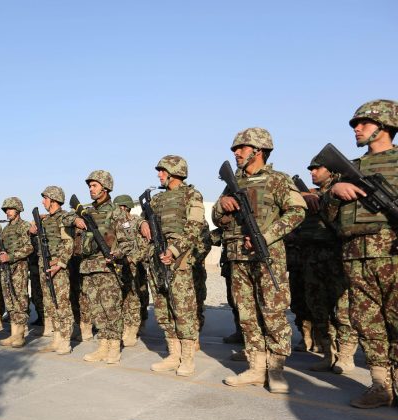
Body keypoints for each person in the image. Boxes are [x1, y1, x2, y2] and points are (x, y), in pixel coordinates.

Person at [213, 128, 306, 393]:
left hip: (268, 258)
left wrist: (267, 236)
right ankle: (255, 367)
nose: (236, 152)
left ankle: (275, 368)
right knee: (247, 313)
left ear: (259, 150)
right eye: (235, 148)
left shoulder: (278, 179)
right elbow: (217, 219)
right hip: (238, 257)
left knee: (273, 312)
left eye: (241, 148)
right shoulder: (232, 183)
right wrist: (223, 205)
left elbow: (298, 211)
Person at [323, 99, 398, 408]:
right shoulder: (349, 170)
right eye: (355, 124)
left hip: (392, 253)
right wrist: (333, 192)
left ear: (385, 127)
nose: (357, 128)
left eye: (364, 123)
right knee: (366, 321)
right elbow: (329, 217)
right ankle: (381, 384)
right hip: (355, 254)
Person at [141, 156, 206, 376]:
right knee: (162, 306)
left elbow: (195, 226)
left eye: (162, 171)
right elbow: (142, 218)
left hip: (179, 260)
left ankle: (187, 358)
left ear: (174, 172)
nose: (159, 175)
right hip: (156, 257)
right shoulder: (156, 200)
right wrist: (142, 224)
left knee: (182, 307)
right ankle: (173, 354)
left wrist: (175, 251)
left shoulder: (191, 194)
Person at [64, 170, 129, 364]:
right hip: (89, 267)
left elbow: (127, 243)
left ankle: (114, 347)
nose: (91, 189)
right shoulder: (86, 211)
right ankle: (103, 345)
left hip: (108, 267)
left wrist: (115, 254)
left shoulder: (116, 211)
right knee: (96, 309)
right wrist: (76, 220)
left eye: (94, 185)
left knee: (111, 309)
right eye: (89, 186)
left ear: (105, 187)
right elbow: (64, 218)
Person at [295, 159, 354, 372]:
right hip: (311, 256)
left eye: (317, 168)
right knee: (317, 307)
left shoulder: (340, 189)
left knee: (342, 309)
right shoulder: (308, 193)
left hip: (335, 255)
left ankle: (346, 356)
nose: (312, 172)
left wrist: (320, 197)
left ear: (331, 171)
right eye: (310, 168)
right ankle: (329, 354)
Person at [31, 186, 75, 355]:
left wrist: (61, 263)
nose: (43, 201)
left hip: (58, 268)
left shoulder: (63, 218)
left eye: (45, 198)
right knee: (50, 304)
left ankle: (65, 340)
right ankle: (56, 338)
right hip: (45, 267)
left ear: (54, 200)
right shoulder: (45, 220)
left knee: (62, 304)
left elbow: (68, 242)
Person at [0, 197, 33, 348]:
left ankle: (20, 335)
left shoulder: (24, 226)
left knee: (19, 300)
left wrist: (10, 257)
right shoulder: (6, 229)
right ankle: (13, 333)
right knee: (9, 300)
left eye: (10, 209)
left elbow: (29, 247)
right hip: (6, 268)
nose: (7, 212)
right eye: (6, 210)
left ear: (17, 210)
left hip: (19, 267)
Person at [113, 194, 147, 350]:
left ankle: (132, 330)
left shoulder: (135, 221)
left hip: (134, 264)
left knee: (133, 297)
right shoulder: (114, 224)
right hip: (118, 264)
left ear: (123, 207)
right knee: (121, 298)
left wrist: (133, 259)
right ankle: (125, 327)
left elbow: (144, 245)